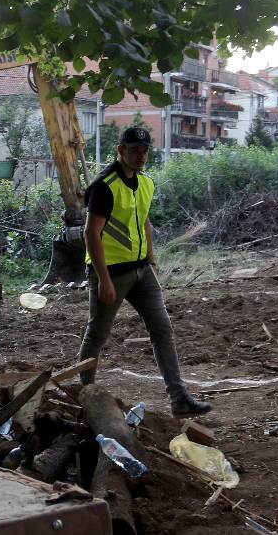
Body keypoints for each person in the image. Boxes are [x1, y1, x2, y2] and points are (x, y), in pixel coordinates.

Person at [79, 126, 211, 417]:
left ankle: (179, 399)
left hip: (141, 271)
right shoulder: (104, 186)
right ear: (120, 151)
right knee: (97, 335)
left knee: (162, 329)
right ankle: (84, 397)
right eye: (134, 150)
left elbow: (144, 223)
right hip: (111, 273)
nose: (141, 155)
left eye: (144, 150)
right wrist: (103, 279)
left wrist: (150, 258)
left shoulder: (146, 183)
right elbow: (91, 234)